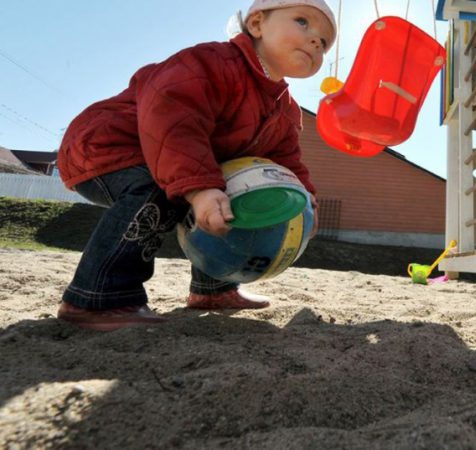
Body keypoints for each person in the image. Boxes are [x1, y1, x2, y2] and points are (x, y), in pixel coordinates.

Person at [55, 0, 337, 331]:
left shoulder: (284, 110)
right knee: (160, 191)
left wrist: (306, 195)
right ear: (257, 24)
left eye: (325, 42)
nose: (316, 40)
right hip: (107, 146)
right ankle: (98, 296)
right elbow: (172, 114)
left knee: (228, 196)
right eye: (303, 22)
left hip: (170, 160)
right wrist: (200, 187)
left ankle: (213, 289)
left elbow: (285, 159)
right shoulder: (212, 63)